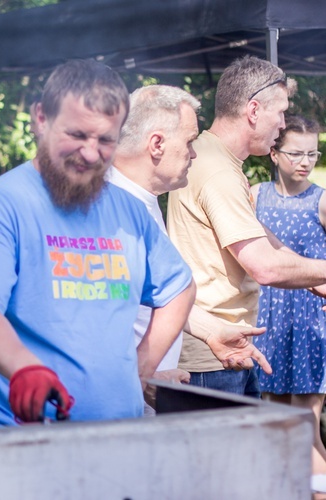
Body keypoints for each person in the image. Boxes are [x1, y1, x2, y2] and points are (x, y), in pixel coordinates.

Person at [0, 59, 196, 427]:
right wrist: (24, 368)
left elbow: (179, 288)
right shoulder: (0, 204)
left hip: (120, 436)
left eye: (106, 140)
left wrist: (143, 366)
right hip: (24, 438)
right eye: (77, 135)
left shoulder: (130, 212)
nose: (91, 153)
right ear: (41, 119)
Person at [167, 56, 326, 400]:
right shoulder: (219, 171)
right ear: (253, 110)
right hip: (211, 357)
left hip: (221, 348)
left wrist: (317, 277)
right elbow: (264, 266)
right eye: (280, 112)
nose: (283, 124)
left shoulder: (211, 155)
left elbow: (256, 236)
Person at [108, 84, 272, 412]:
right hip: (114, 411)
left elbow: (156, 294)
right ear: (156, 144)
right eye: (189, 142)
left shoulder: (142, 203)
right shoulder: (111, 212)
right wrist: (139, 377)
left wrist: (212, 331)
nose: (194, 154)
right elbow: (93, 322)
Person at [250, 115, 326, 481]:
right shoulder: (254, 196)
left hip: (311, 320)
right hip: (268, 319)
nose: (305, 161)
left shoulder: (321, 201)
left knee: (305, 428)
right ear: (274, 153)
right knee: (276, 422)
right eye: (296, 153)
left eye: (313, 153)